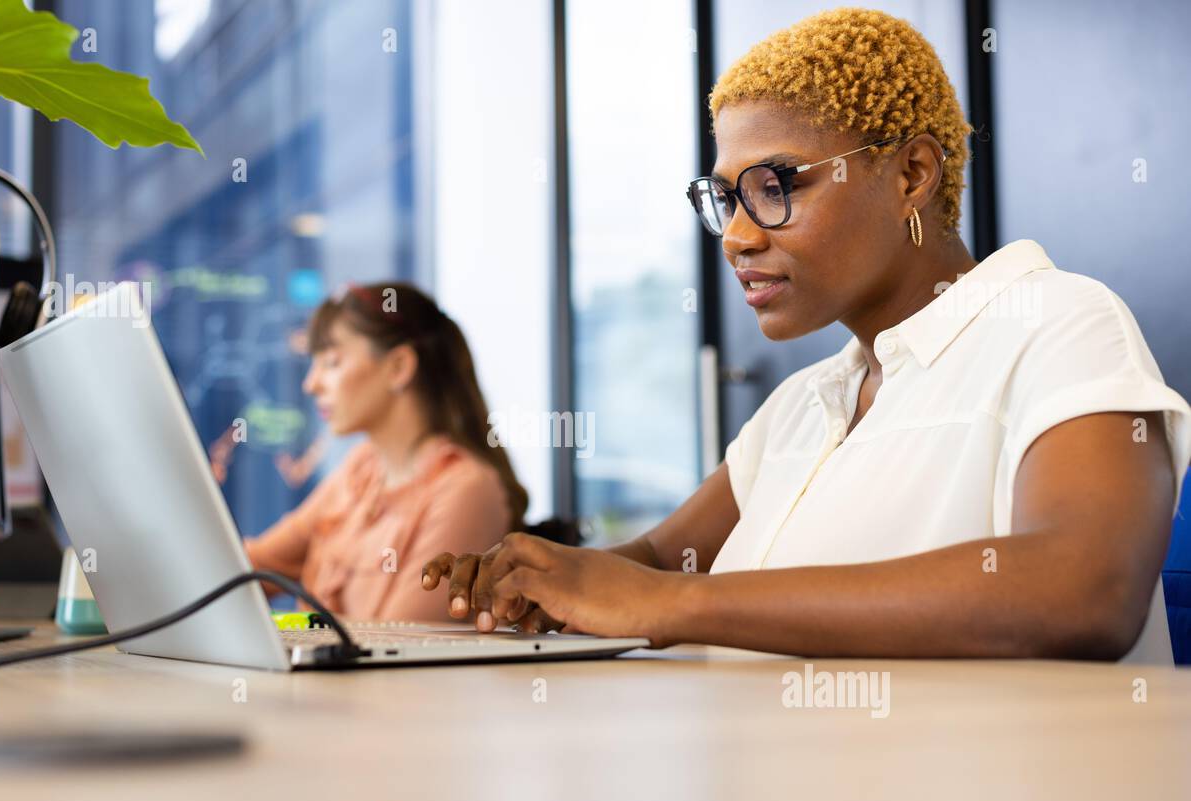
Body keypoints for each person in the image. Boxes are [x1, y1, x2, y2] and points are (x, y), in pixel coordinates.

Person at [421, 7, 1191, 662]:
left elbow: (1085, 588)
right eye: (727, 198)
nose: (736, 238)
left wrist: (673, 605)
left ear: (912, 173)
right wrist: (542, 580)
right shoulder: (806, 401)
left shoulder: (1059, 322)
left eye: (776, 186)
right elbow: (661, 559)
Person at [246, 282, 527, 621]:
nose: (312, 383)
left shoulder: (466, 489)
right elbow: (252, 566)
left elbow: (399, 646)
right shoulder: (362, 469)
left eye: (332, 362)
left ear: (398, 368)